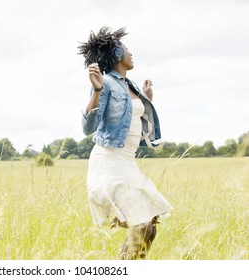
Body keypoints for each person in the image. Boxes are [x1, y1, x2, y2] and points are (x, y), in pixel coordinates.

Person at [78, 26, 173, 260]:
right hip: (109, 161)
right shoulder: (106, 83)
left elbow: (133, 121)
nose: (131, 52)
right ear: (117, 54)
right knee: (140, 223)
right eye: (127, 48)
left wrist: (147, 99)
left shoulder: (132, 86)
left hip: (127, 161)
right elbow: (87, 128)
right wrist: (97, 90)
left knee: (149, 225)